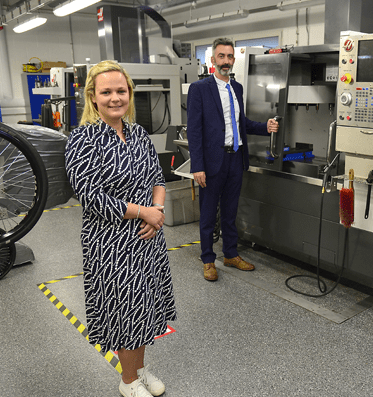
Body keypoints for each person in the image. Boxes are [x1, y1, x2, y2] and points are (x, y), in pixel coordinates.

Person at [65, 60, 175, 397]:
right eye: (107, 92)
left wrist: (155, 212)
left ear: (129, 93)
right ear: (93, 98)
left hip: (146, 238)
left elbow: (158, 177)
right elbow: (91, 196)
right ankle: (127, 381)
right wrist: (145, 212)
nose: (115, 97)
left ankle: (138, 370)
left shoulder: (138, 133)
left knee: (144, 308)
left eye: (121, 91)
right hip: (110, 243)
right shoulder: (83, 139)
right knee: (124, 310)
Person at [187, 37, 279, 281]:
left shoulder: (236, 88)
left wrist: (265, 127)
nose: (225, 61)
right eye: (221, 56)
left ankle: (230, 254)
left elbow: (242, 123)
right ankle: (208, 259)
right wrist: (197, 166)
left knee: (230, 211)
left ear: (233, 60)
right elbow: (194, 131)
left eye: (229, 57)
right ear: (212, 59)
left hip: (236, 159)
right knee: (208, 213)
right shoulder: (200, 89)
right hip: (212, 162)